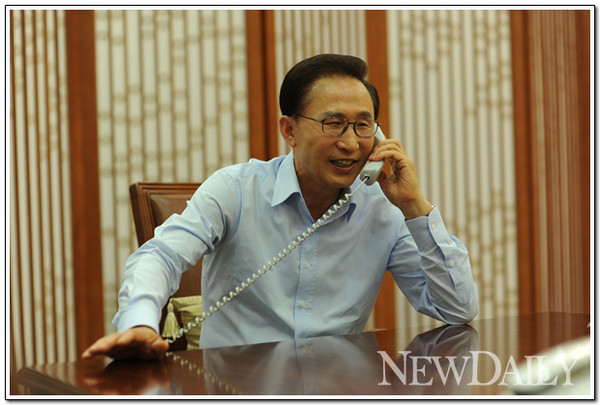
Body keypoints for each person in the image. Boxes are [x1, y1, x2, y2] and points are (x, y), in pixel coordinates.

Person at [82, 54, 478, 360]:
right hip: (236, 386)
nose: (350, 143)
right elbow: (160, 256)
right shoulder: (235, 190)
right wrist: (140, 322)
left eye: (363, 125)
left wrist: (414, 206)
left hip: (340, 387)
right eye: (333, 123)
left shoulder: (384, 208)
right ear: (289, 130)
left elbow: (457, 310)